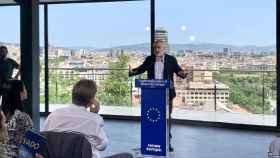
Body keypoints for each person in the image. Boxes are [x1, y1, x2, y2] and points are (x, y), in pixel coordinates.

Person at [42, 79, 133, 158]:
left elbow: (44, 138)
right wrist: (94, 115)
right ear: (92, 101)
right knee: (127, 156)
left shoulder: (54, 115)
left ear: (73, 95)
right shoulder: (94, 120)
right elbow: (102, 146)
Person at [128, 39, 188, 152]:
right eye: (155, 48)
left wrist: (183, 74)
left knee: (167, 118)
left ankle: (167, 143)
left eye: (158, 47)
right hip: (152, 94)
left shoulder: (171, 59)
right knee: (153, 117)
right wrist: (132, 72)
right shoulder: (150, 59)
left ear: (164, 49)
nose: (156, 50)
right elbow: (142, 68)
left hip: (167, 94)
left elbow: (178, 71)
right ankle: (152, 141)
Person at [0, 80, 33, 158]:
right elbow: (31, 142)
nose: (26, 90)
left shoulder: (1, 114)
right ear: (19, 92)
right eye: (24, 88)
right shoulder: (22, 117)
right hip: (16, 154)